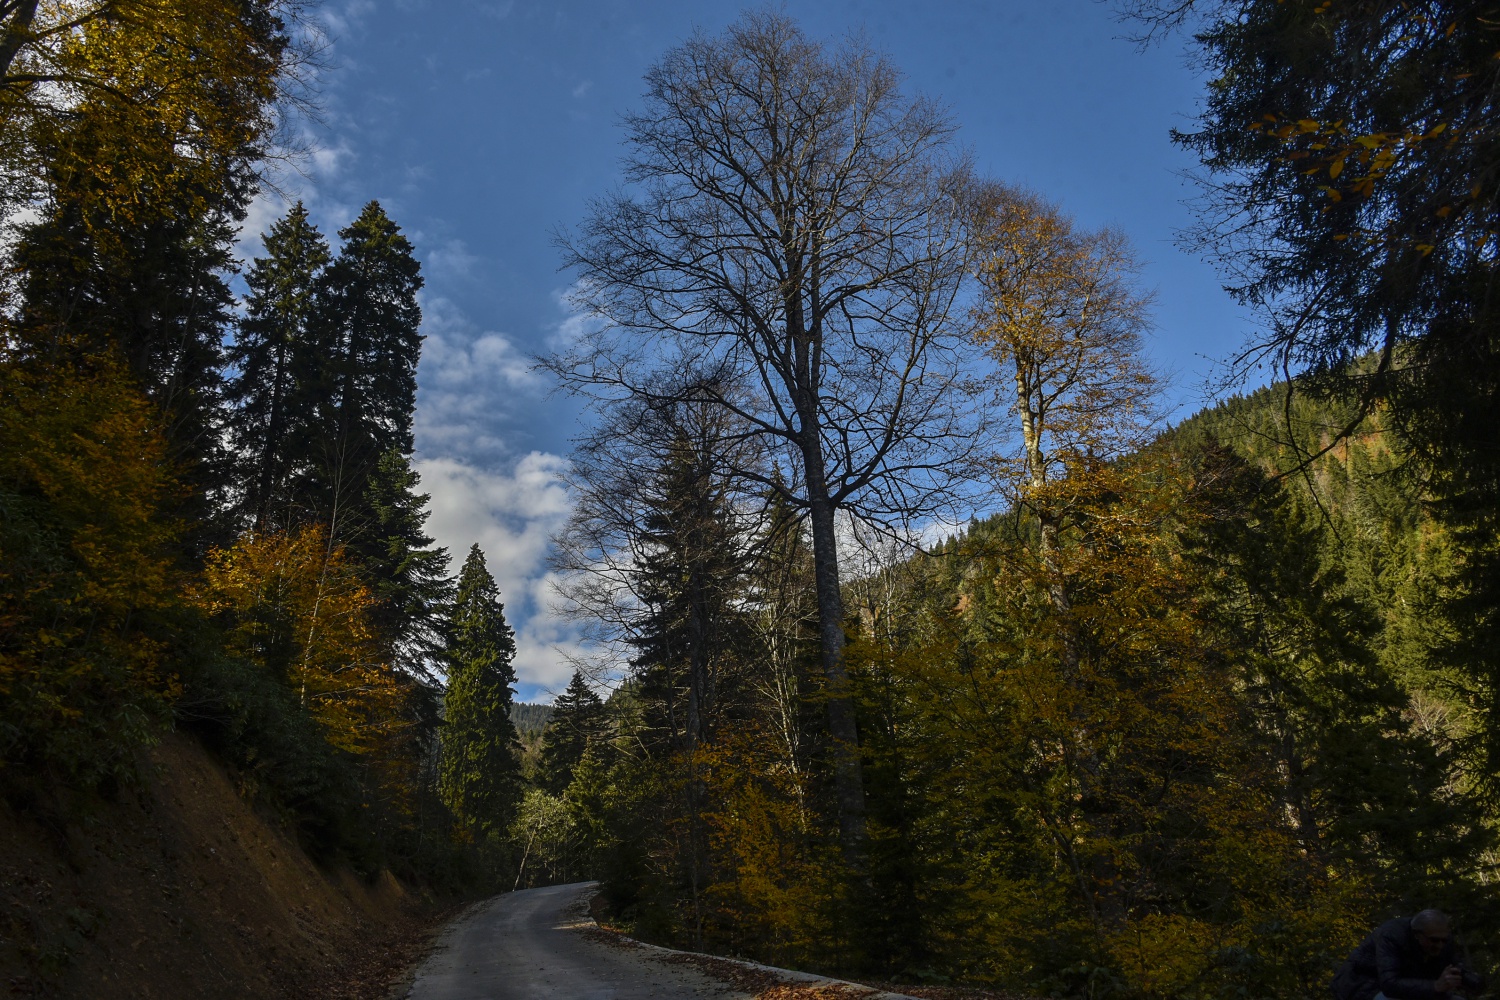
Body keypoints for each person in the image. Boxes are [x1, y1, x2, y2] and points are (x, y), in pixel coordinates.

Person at [1333, 910, 1485, 1000]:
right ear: (1417, 935)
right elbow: (1389, 984)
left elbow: (1452, 964)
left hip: (1407, 988)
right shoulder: (1392, 936)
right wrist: (1435, 986)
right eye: (1434, 940)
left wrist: (1466, 980)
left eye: (1444, 940)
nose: (1440, 945)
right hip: (1363, 985)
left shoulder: (1442, 941)